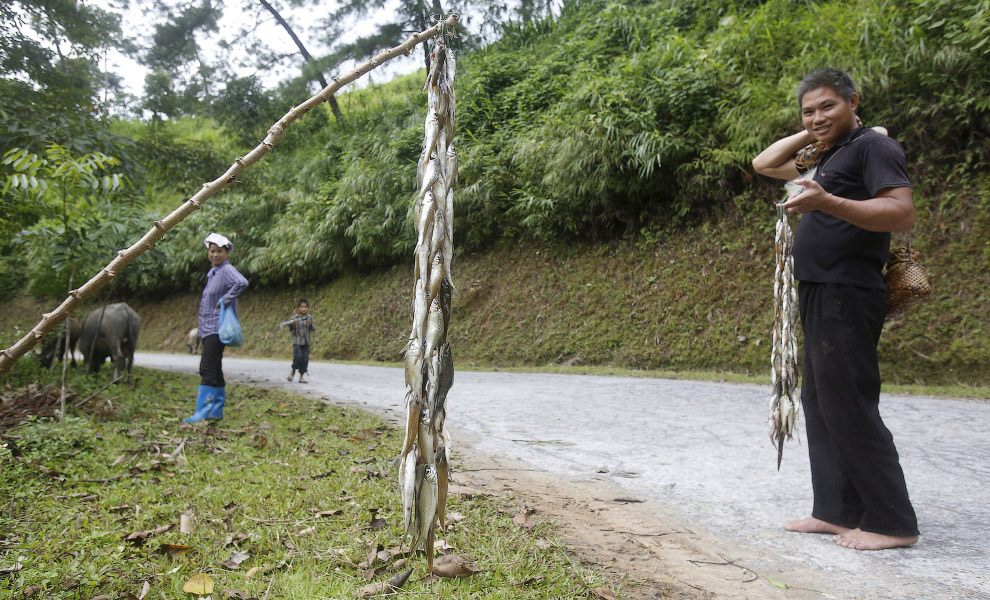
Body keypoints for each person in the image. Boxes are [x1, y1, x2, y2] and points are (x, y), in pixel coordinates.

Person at [752, 68, 919, 551]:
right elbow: (766, 162)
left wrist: (829, 202)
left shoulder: (873, 147)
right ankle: (836, 511)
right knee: (821, 404)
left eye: (828, 106)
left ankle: (892, 522)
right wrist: (815, 131)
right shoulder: (830, 154)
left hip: (848, 288)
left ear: (853, 101)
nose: (818, 115)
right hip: (820, 289)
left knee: (849, 402)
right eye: (809, 110)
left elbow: (900, 211)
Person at [183, 232, 249, 423]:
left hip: (217, 327)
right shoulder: (214, 272)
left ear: (226, 253)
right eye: (212, 251)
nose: (215, 255)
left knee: (207, 368)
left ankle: (202, 412)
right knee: (215, 368)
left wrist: (225, 300)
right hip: (208, 327)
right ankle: (216, 412)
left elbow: (242, 282)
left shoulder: (227, 270)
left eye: (219, 251)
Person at [285, 299, 315, 383]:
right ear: (298, 308)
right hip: (297, 342)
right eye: (302, 307)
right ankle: (293, 371)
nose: (304, 309)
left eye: (305, 307)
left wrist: (310, 324)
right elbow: (291, 329)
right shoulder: (294, 318)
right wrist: (293, 325)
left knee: (305, 359)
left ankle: (301, 377)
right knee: (298, 357)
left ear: (307, 308)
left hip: (306, 342)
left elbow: (313, 329)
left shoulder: (310, 318)